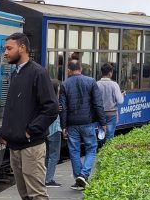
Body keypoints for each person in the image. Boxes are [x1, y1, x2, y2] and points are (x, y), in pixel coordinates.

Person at [1, 32, 59, 200]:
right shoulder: (16, 74)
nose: (5, 52)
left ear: (22, 48)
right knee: (26, 195)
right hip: (16, 146)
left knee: (38, 196)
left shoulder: (37, 73)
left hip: (31, 146)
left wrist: (29, 131)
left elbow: (51, 108)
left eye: (9, 48)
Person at [59, 59, 107, 188]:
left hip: (72, 123)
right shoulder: (91, 81)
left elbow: (63, 107)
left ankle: (78, 178)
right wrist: (103, 122)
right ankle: (84, 175)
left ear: (69, 70)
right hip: (88, 122)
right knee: (91, 148)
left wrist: (63, 126)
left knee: (74, 150)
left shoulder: (65, 84)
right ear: (81, 68)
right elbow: (98, 103)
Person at [96, 63, 124, 141]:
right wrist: (122, 95)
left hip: (100, 113)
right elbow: (120, 101)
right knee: (109, 136)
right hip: (111, 114)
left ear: (102, 72)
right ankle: (106, 151)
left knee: (101, 134)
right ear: (110, 73)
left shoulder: (96, 84)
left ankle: (102, 150)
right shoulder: (114, 85)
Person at [45, 79, 62, 186]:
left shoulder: (45, 99)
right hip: (54, 130)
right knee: (54, 155)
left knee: (47, 155)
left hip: (45, 130)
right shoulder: (55, 101)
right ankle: (49, 179)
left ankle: (44, 177)